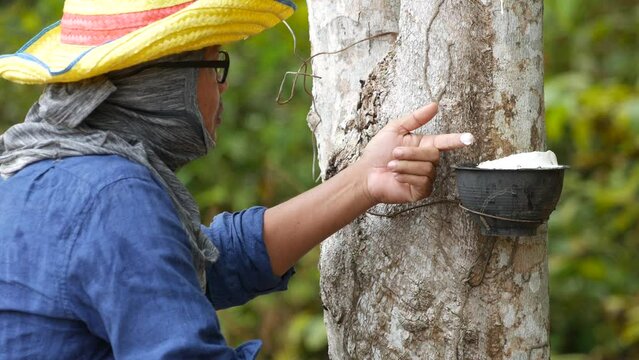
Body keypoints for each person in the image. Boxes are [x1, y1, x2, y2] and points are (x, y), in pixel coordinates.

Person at [0, 0, 474, 358]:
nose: (222, 85)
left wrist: (365, 181)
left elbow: (191, 268)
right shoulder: (113, 195)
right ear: (164, 84)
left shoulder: (34, 173)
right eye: (215, 64)